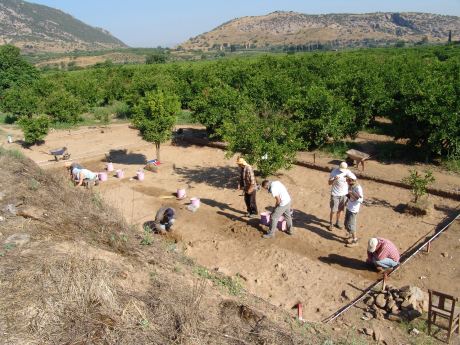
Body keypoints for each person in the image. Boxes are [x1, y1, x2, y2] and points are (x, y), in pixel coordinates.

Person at [328, 162, 355, 231]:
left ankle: (337, 222)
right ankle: (331, 223)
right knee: (333, 210)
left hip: (344, 195)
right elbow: (329, 183)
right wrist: (334, 179)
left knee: (341, 210)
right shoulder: (334, 172)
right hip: (335, 194)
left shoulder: (348, 172)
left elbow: (354, 179)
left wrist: (349, 179)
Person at [344, 175, 364, 246]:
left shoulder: (358, 188)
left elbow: (361, 200)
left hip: (353, 210)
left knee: (351, 225)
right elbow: (349, 195)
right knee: (347, 223)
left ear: (353, 180)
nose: (347, 182)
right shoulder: (350, 186)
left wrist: (353, 194)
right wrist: (347, 201)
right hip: (349, 207)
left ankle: (355, 241)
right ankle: (350, 237)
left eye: (348, 180)